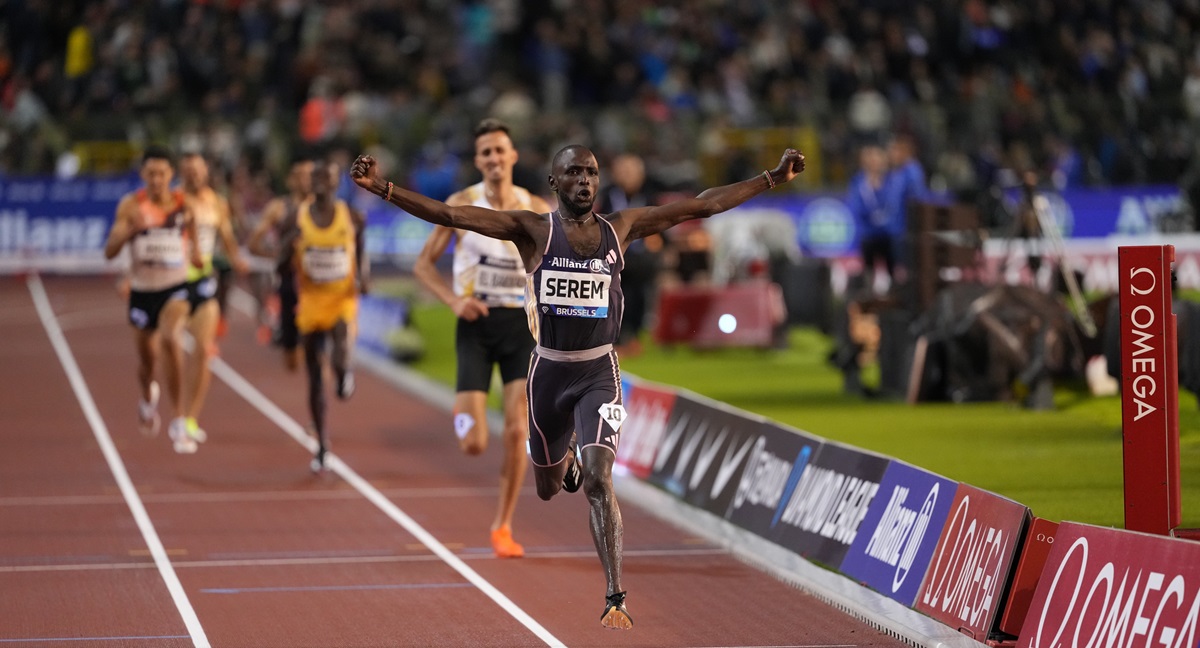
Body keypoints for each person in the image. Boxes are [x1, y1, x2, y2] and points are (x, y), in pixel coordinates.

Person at [351, 144, 806, 629]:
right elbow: (451, 214)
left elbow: (703, 204)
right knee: (548, 488)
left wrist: (771, 178)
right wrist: (383, 187)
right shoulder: (532, 230)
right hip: (548, 371)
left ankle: (614, 594)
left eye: (591, 172)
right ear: (554, 183)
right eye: (573, 173)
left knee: (598, 479)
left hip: (597, 372)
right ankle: (560, 459)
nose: (585, 180)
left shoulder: (622, 229)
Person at [412, 119, 552, 559]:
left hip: (520, 329)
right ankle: (463, 412)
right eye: (486, 152)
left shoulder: (535, 209)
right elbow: (422, 266)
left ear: (513, 157)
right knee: (473, 443)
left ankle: (503, 527)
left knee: (515, 433)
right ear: (478, 161)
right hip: (475, 324)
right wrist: (455, 301)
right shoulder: (460, 204)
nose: (494, 158)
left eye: (500, 150)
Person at [103, 146, 203, 453]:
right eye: (151, 174)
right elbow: (109, 252)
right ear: (143, 175)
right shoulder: (132, 206)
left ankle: (179, 419)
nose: (157, 179)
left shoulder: (183, 204)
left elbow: (196, 247)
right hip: (142, 292)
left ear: (170, 175)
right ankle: (148, 397)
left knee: (173, 339)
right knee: (147, 363)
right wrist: (131, 230)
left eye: (162, 173)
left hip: (175, 287)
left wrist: (197, 254)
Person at [278, 161, 369, 473]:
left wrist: (364, 275)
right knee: (315, 376)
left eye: (327, 178)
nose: (320, 183)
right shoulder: (296, 217)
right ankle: (321, 445)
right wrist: (288, 250)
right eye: (316, 177)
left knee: (341, 348)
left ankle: (344, 372)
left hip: (341, 298)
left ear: (336, 182)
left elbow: (360, 245)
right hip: (311, 301)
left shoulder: (351, 215)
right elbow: (280, 264)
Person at [178, 152, 250, 446]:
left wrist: (237, 259)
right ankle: (167, 403)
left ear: (206, 172)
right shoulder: (173, 201)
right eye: (189, 171)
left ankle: (190, 418)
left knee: (203, 350)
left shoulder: (217, 204)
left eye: (199, 170)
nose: (194, 175)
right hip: (171, 283)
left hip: (202, 282)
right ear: (182, 173)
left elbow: (228, 238)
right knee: (167, 346)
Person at [248, 153, 315, 371]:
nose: (306, 180)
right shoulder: (279, 207)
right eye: (301, 175)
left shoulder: (326, 208)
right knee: (291, 356)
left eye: (311, 175)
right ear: (291, 180)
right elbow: (254, 243)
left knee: (318, 344)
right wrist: (278, 255)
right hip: (289, 282)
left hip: (317, 284)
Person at [597, 153, 662, 357]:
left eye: (630, 171)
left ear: (640, 174)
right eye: (622, 171)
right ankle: (617, 338)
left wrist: (658, 240)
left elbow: (662, 223)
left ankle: (633, 336)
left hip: (642, 259)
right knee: (614, 297)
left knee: (638, 296)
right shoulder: (608, 195)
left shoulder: (650, 195)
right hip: (615, 257)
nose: (626, 176)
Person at [845, 142, 891, 293]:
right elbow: (856, 206)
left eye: (876, 157)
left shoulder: (889, 180)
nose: (873, 161)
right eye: (869, 158)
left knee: (892, 269)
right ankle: (869, 299)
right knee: (868, 271)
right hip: (868, 234)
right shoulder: (859, 182)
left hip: (888, 233)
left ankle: (893, 300)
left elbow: (894, 203)